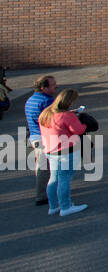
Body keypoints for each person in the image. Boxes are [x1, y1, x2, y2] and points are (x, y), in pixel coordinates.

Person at [39, 88, 89, 218]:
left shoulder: (46, 113)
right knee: (64, 178)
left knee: (53, 178)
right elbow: (78, 130)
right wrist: (84, 124)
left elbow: (57, 122)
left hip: (50, 150)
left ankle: (54, 206)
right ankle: (66, 207)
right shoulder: (67, 116)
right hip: (66, 150)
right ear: (69, 102)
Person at [25, 74, 57, 206]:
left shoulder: (31, 100)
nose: (56, 86)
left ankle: (46, 191)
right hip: (44, 137)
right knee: (44, 168)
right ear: (43, 88)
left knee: (42, 166)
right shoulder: (47, 101)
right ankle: (42, 195)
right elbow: (52, 120)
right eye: (53, 85)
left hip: (34, 136)